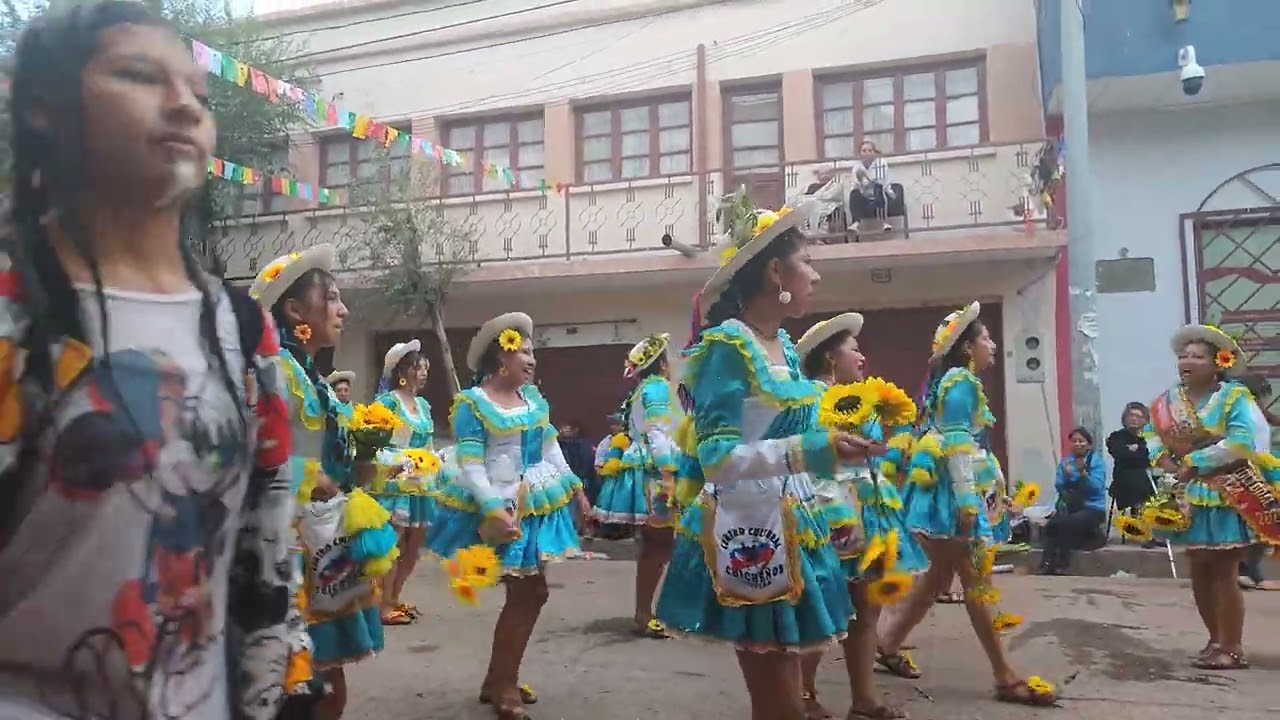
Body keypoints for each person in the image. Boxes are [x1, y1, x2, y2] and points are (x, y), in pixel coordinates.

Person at [0, 4, 300, 716]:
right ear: (43, 108)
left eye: (198, 94)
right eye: (138, 75)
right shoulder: (18, 315)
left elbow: (267, 558)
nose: (182, 107)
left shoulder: (241, 329)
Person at [654, 192, 864, 720]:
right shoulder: (730, 345)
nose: (815, 275)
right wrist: (810, 451)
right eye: (806, 262)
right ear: (775, 271)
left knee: (787, 667)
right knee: (775, 691)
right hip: (749, 528)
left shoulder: (784, 347)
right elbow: (717, 458)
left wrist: (836, 500)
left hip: (793, 517)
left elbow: (804, 438)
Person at [876, 302, 1057, 707]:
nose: (992, 344)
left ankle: (886, 643)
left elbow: (967, 446)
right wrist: (968, 504)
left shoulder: (953, 381)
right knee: (976, 582)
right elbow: (958, 444)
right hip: (952, 500)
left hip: (948, 495)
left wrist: (992, 491)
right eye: (986, 338)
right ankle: (1004, 676)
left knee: (938, 579)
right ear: (966, 347)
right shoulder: (960, 382)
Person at [252, 244, 398, 720]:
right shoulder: (271, 370)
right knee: (297, 687)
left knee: (326, 686)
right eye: (331, 298)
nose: (343, 309)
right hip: (281, 545)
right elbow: (246, 454)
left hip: (319, 540)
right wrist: (313, 478)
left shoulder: (308, 375)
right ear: (295, 311)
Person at [426, 312, 590, 720]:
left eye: (534, 352)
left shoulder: (532, 399)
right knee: (527, 593)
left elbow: (550, 446)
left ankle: (498, 679)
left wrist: (577, 489)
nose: (532, 360)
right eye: (526, 352)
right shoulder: (473, 403)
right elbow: (469, 461)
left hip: (533, 501)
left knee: (531, 592)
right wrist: (491, 506)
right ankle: (502, 686)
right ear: (503, 355)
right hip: (497, 503)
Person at [797, 313, 927, 720]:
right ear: (831, 358)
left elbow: (871, 448)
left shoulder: (859, 397)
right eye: (854, 349)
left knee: (868, 608)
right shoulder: (809, 399)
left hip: (870, 508)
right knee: (825, 609)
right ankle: (801, 696)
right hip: (832, 511)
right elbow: (812, 455)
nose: (862, 356)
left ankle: (863, 700)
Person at [1142, 325, 1280, 669]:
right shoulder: (1167, 401)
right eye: (1183, 355)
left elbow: (1241, 441)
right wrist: (1165, 460)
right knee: (1199, 569)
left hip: (1227, 491)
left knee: (1224, 570)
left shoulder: (1234, 397)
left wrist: (1195, 462)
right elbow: (1151, 434)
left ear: (1218, 363)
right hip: (1190, 494)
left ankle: (1232, 647)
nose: (1187, 361)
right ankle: (1214, 639)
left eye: (1197, 356)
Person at [591, 333, 680, 638]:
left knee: (656, 546)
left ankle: (647, 612)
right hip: (653, 473)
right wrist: (669, 474)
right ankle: (650, 614)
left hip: (642, 468)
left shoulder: (640, 390)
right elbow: (656, 432)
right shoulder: (656, 388)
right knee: (661, 545)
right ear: (662, 363)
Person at [372, 340, 438, 626]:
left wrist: (436, 463)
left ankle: (394, 598)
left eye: (425, 367)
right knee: (392, 545)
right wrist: (400, 461)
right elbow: (374, 443)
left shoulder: (423, 405)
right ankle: (381, 605)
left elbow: (428, 443)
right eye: (417, 367)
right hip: (396, 482)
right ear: (402, 371)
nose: (423, 372)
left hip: (421, 483)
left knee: (414, 547)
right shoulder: (387, 403)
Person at [1039, 428, 1107, 575]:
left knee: (1067, 524)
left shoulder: (1096, 462)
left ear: (1088, 444)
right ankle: (1046, 563)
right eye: (1074, 441)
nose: (1078, 444)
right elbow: (1059, 485)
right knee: (1052, 525)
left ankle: (1062, 564)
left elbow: (1096, 487)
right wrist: (1068, 476)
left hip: (1092, 508)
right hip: (1071, 506)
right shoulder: (1066, 462)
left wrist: (1081, 475)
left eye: (1081, 441)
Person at [1237, 374, 1278, 590]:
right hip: (1249, 472)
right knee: (1260, 522)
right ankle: (1247, 570)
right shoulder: (1245, 412)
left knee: (1264, 523)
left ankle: (1249, 571)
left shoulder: (1254, 411)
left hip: (1258, 471)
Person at [1106, 402, 1154, 519]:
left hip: (1148, 478)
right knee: (1137, 479)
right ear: (1125, 418)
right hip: (1124, 480)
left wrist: (1133, 451)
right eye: (1131, 415)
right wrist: (1138, 453)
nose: (1134, 419)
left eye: (1138, 416)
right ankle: (1139, 520)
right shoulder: (1116, 437)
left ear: (1145, 420)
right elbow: (1120, 454)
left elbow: (1149, 458)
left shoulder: (1150, 438)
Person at [849, 140, 895, 235]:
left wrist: (867, 182)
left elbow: (880, 181)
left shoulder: (881, 164)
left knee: (878, 188)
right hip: (865, 196)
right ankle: (855, 224)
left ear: (874, 153)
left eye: (870, 150)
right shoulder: (857, 167)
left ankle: (884, 223)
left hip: (883, 195)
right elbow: (856, 184)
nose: (867, 153)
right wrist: (863, 183)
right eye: (864, 151)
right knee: (854, 193)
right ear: (860, 153)